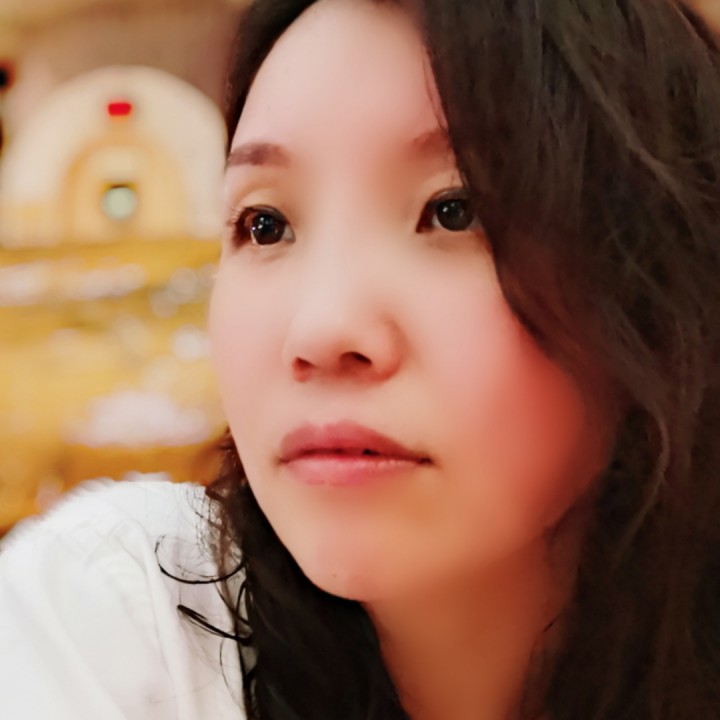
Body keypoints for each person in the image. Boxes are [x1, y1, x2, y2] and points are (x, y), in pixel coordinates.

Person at [1, 0, 720, 718]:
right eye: (266, 224)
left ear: (663, 277)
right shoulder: (117, 631)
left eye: (454, 210)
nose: (321, 332)